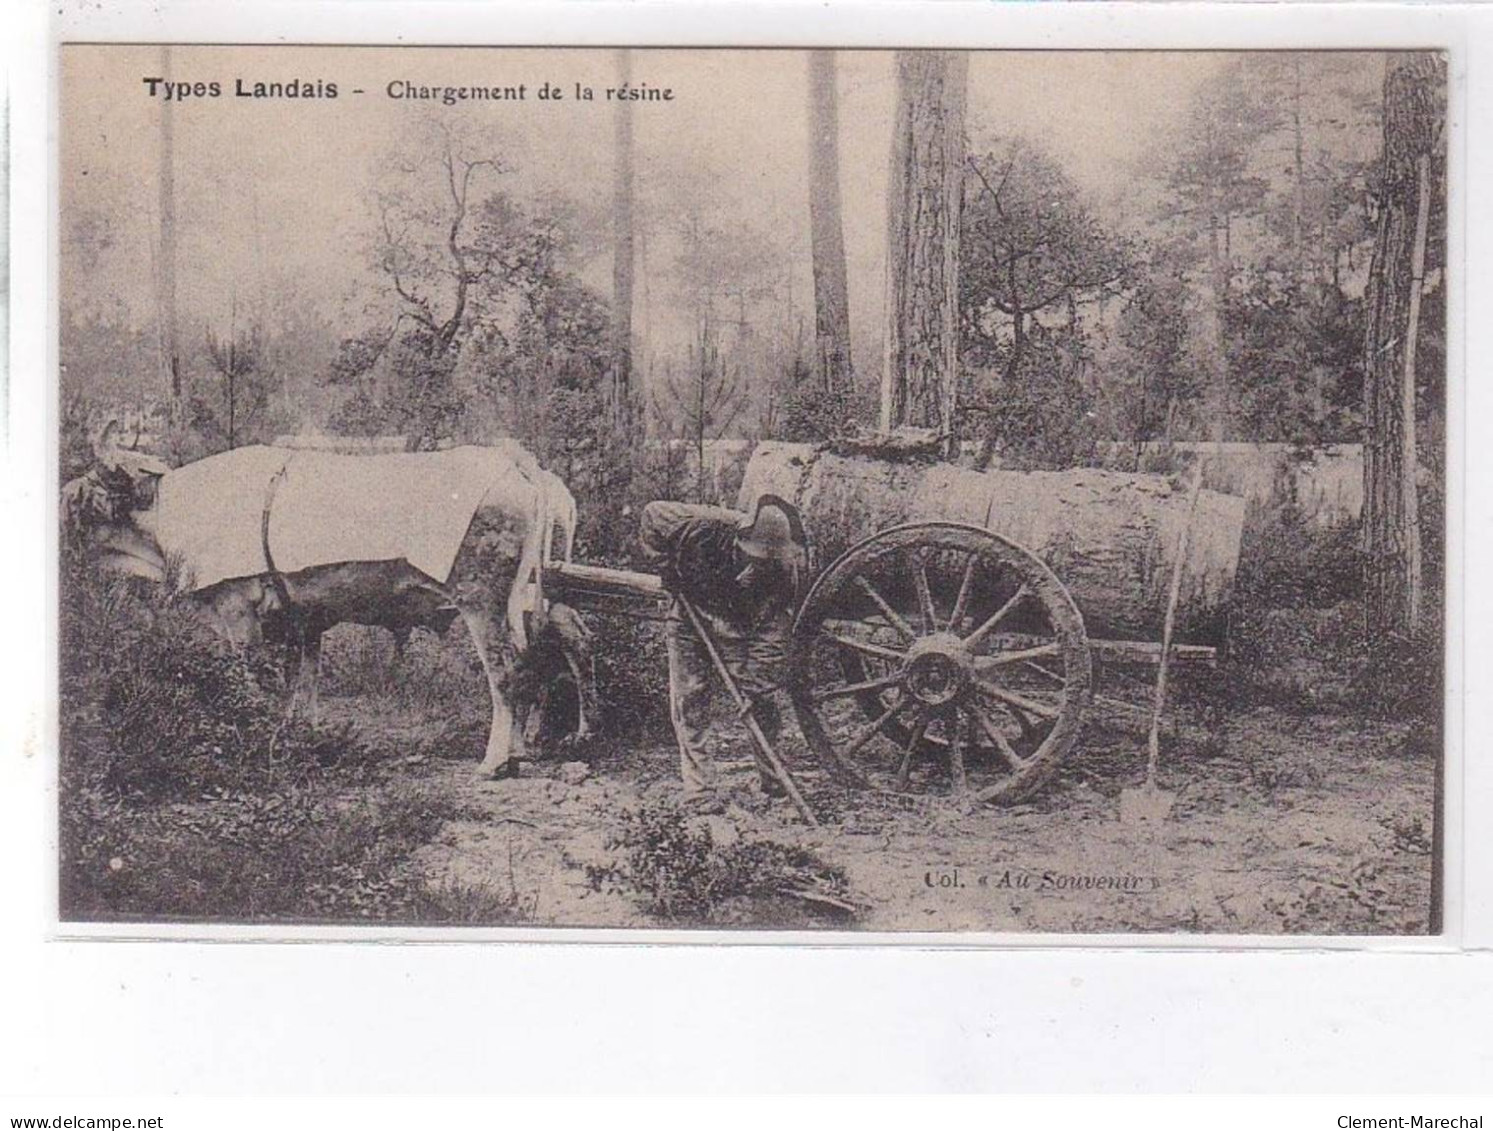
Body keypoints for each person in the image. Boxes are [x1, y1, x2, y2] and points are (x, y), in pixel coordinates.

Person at [639, 494, 808, 813]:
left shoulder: (786, 572)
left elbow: (774, 629)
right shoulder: (705, 528)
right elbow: (651, 514)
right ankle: (700, 790)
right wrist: (668, 572)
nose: (757, 566)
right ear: (742, 540)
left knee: (761, 702)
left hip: (738, 625)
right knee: (690, 701)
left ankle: (773, 778)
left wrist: (758, 677)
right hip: (690, 619)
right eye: (754, 558)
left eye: (765, 562)